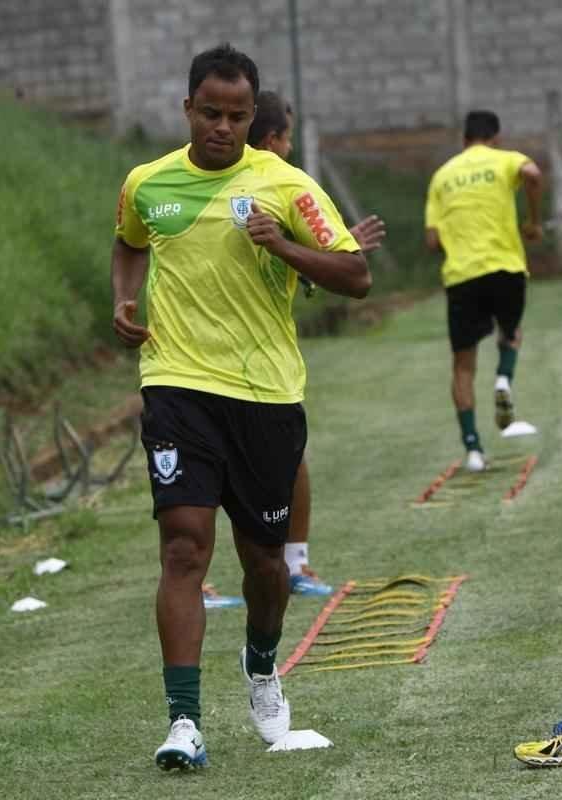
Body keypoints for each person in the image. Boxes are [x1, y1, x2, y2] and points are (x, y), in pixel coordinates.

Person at [110, 44, 371, 770]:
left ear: (253, 117)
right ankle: (184, 722)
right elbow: (128, 245)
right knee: (184, 545)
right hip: (176, 385)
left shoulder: (286, 185)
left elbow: (356, 274)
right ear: (187, 108)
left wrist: (283, 245)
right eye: (210, 113)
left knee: (265, 568)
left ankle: (261, 666)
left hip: (265, 399)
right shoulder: (147, 182)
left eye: (237, 116)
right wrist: (123, 302)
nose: (223, 126)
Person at [245, 90, 387, 597]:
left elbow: (278, 267)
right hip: (240, 362)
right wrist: (327, 253)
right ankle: (292, 565)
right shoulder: (273, 184)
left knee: (281, 460)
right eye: (286, 136)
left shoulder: (272, 188)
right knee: (265, 464)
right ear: (272, 138)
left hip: (260, 361)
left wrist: (331, 246)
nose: (288, 148)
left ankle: (289, 565)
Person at [424, 110, 543, 472]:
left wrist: (458, 241)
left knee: (463, 364)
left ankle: (473, 450)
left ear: (464, 140)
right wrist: (533, 221)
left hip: (461, 275)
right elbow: (533, 174)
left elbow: (431, 240)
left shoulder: (442, 176)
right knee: (511, 332)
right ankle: (504, 380)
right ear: (496, 137)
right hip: (505, 267)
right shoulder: (504, 160)